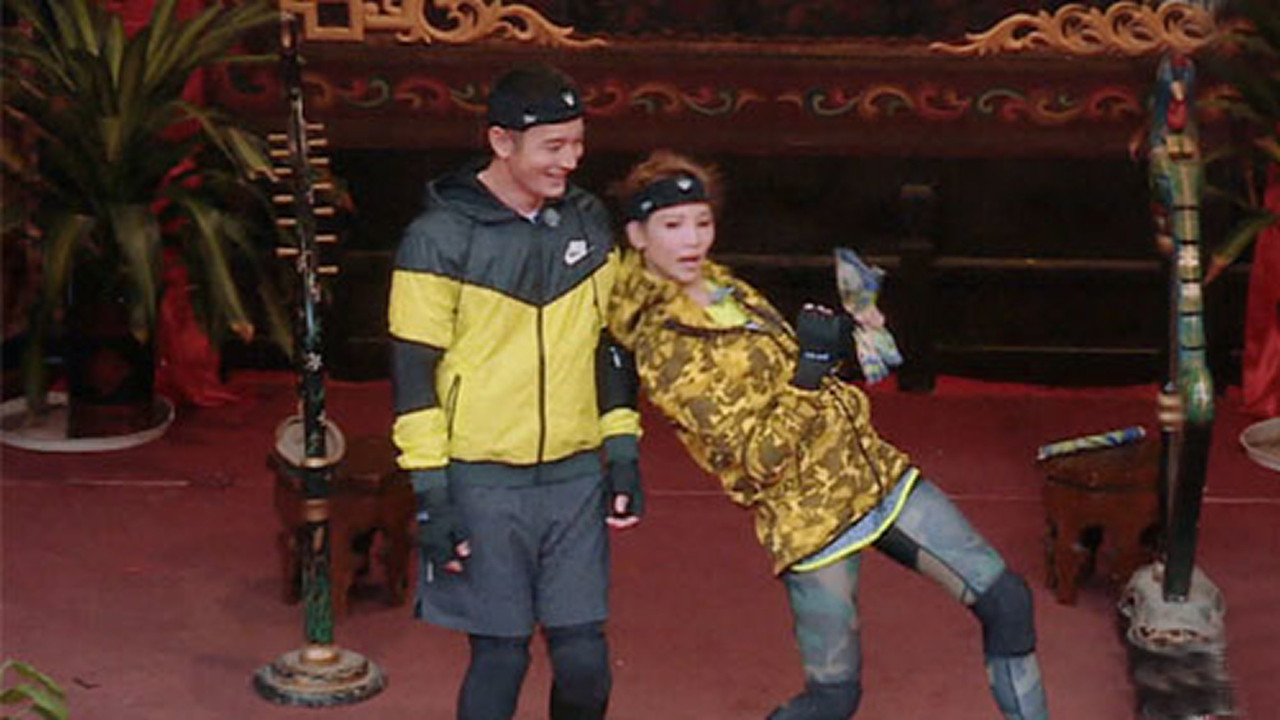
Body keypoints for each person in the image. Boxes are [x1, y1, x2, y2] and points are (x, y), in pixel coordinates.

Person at [606, 150, 1050, 719]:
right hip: (808, 520)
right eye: (672, 226)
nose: (692, 239)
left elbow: (784, 376)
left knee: (1007, 603)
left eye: (702, 221)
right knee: (833, 699)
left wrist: (836, 349)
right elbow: (755, 459)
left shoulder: (718, 287)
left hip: (872, 473)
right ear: (637, 235)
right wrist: (809, 374)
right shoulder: (665, 345)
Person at [388, 64, 643, 720]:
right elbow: (413, 376)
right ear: (501, 142)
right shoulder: (436, 238)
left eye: (578, 143)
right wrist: (430, 495)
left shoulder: (588, 221)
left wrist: (622, 452)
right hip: (481, 480)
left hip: (573, 476)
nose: (571, 161)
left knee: (585, 663)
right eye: (553, 146)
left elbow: (610, 346)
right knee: (500, 658)